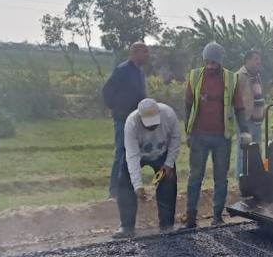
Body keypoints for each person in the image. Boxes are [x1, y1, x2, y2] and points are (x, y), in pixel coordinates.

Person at [184, 42, 250, 228]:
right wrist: (188, 131)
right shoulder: (195, 76)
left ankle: (217, 216)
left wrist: (244, 130)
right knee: (195, 176)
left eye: (214, 62)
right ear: (203, 60)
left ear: (220, 62)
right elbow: (188, 104)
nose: (211, 66)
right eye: (208, 62)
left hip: (222, 136)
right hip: (198, 135)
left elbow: (239, 107)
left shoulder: (230, 78)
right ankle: (190, 217)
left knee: (221, 178)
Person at [113, 98, 181, 238]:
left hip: (162, 154)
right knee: (125, 182)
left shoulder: (168, 114)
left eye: (155, 123)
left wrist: (168, 164)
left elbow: (175, 139)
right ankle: (127, 227)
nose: (152, 127)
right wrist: (138, 186)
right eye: (148, 124)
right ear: (140, 117)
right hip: (140, 154)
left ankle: (167, 226)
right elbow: (132, 156)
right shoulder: (131, 123)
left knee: (168, 182)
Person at [102, 41, 149, 199]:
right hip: (123, 119)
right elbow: (107, 90)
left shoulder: (140, 72)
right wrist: (115, 108)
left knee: (134, 155)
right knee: (121, 153)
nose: (147, 55)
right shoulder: (122, 70)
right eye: (145, 52)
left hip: (136, 120)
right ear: (135, 53)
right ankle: (113, 192)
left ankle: (127, 189)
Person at [236, 50, 265, 179]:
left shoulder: (257, 75)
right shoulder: (240, 76)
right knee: (244, 152)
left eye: (259, 59)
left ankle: (254, 179)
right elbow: (235, 100)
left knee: (256, 152)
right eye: (255, 59)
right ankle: (241, 180)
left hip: (257, 121)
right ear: (247, 61)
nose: (258, 61)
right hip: (246, 121)